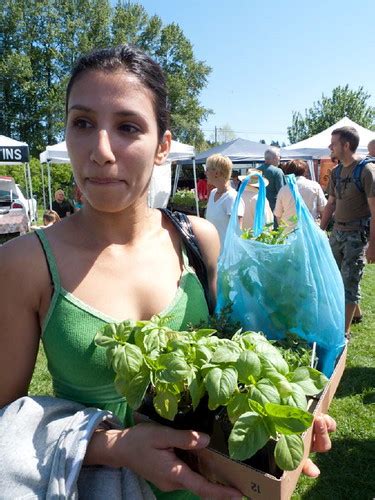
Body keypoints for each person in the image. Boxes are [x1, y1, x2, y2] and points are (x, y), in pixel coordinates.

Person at [0, 44, 335, 498]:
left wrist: (288, 409)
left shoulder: (198, 239)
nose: (101, 150)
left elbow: (231, 357)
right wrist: (114, 447)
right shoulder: (25, 261)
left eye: (127, 127)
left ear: (162, 147)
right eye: (82, 123)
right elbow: (7, 417)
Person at [320, 126, 375, 335]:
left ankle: (343, 334)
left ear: (346, 145)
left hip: (356, 235)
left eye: (333, 143)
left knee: (349, 282)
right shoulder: (335, 172)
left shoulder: (367, 171)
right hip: (337, 234)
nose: (329, 147)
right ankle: (356, 312)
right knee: (334, 277)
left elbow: (374, 211)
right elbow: (330, 205)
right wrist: (320, 231)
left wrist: (373, 246)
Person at [205, 153, 244, 251]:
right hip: (212, 254)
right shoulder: (213, 193)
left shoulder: (232, 197)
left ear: (217, 173)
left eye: (208, 169)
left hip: (226, 258)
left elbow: (237, 233)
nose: (205, 172)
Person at [274, 159, 327, 229]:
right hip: (310, 230)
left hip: (289, 232)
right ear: (304, 171)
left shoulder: (283, 189)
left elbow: (278, 214)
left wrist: (282, 230)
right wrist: (322, 229)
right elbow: (323, 210)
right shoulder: (315, 186)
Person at [257, 147, 286, 213]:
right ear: (275, 158)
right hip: (273, 208)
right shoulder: (277, 171)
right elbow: (282, 192)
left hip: (258, 207)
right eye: (279, 157)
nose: (280, 159)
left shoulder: (256, 171)